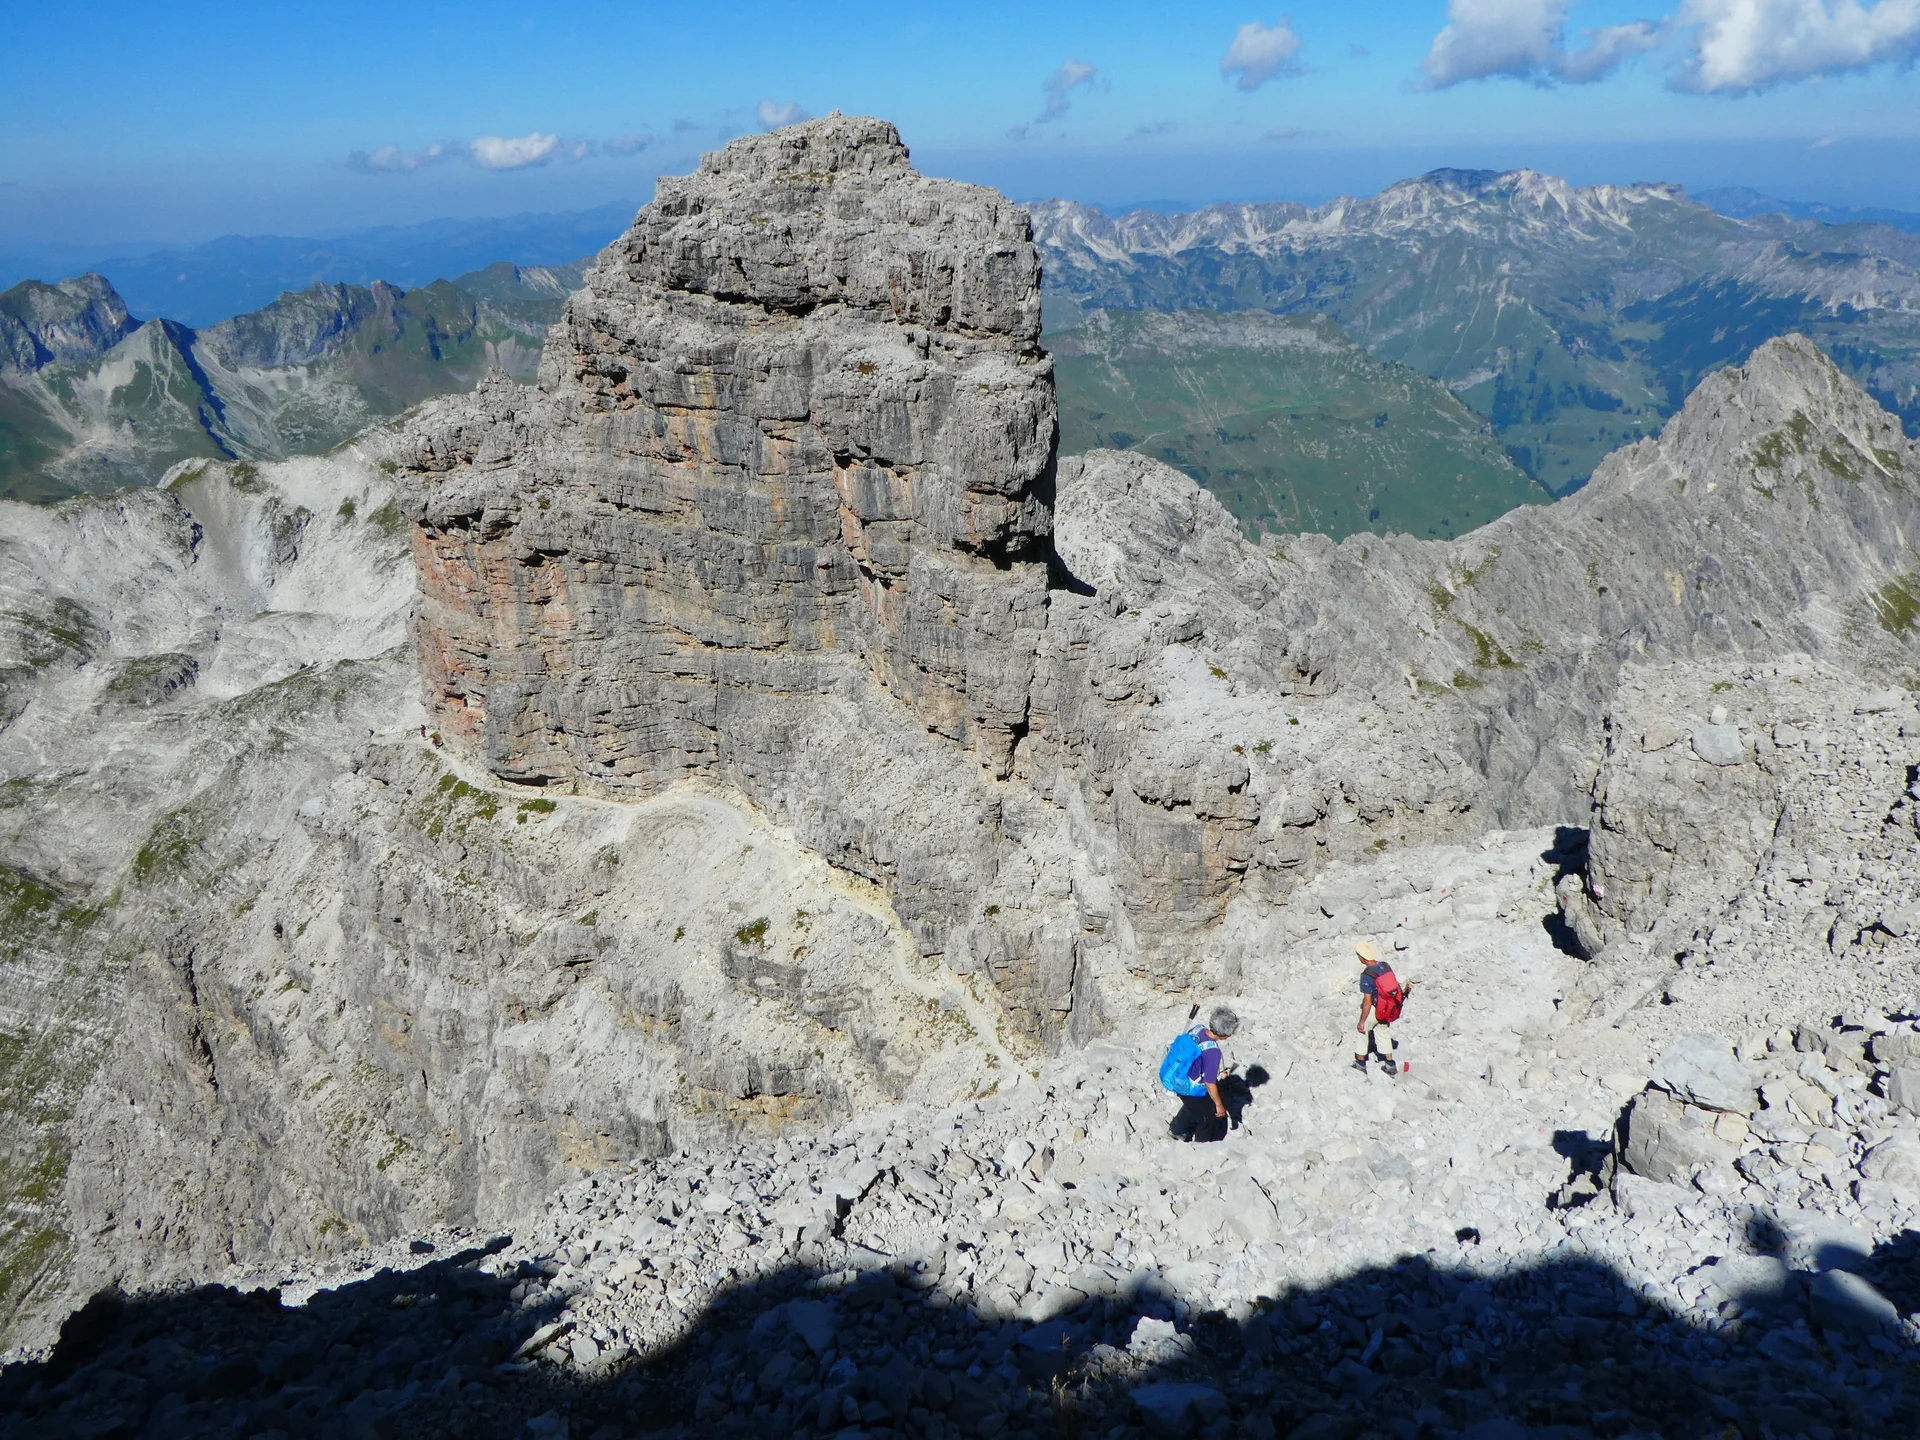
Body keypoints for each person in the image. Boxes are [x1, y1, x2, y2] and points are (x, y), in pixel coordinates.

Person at [1161, 1006, 1239, 1142]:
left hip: (1177, 1075)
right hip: (1189, 1087)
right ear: (1226, 1035)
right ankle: (1202, 1145)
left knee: (1193, 1106)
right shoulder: (1213, 1052)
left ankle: (1178, 1130)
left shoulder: (1198, 1029)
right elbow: (1210, 1083)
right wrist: (1219, 1105)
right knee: (1209, 1115)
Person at [1353, 941, 1412, 1077]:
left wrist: (1361, 1021)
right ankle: (1390, 1065)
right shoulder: (1385, 966)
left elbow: (1367, 1002)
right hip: (1388, 1007)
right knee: (1383, 1032)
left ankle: (1360, 1065)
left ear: (1362, 957)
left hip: (1375, 1008)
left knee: (1363, 1032)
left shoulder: (1366, 975)